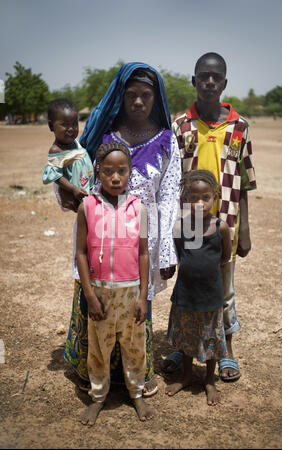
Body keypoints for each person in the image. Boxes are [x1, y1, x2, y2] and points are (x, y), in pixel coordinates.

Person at [64, 63, 181, 396]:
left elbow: (170, 194)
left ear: (156, 98)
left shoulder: (167, 141)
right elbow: (78, 178)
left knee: (134, 307)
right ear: (121, 96)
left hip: (140, 242)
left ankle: (132, 375)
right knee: (95, 302)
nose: (139, 102)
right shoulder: (104, 133)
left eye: (146, 95)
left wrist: (167, 251)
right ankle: (93, 372)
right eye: (131, 95)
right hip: (100, 238)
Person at [163, 52, 257, 381]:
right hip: (189, 223)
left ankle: (224, 349)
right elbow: (172, 179)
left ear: (225, 83)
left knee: (224, 288)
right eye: (203, 76)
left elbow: (244, 182)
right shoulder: (180, 126)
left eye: (216, 77)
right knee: (188, 283)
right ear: (194, 81)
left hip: (224, 222)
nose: (210, 82)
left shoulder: (240, 127)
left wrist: (243, 229)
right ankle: (183, 345)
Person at [77, 141, 154, 425]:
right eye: (108, 171)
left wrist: (143, 296)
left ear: (131, 172)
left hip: (131, 291)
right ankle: (98, 398)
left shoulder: (140, 209)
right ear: (98, 172)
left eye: (122, 171)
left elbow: (144, 254)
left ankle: (137, 394)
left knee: (134, 346)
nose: (115, 177)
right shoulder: (87, 207)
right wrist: (90, 294)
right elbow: (81, 253)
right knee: (99, 348)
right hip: (100, 293)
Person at [165, 170, 231, 404]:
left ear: (215, 197)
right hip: (186, 293)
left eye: (206, 197)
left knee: (210, 336)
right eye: (193, 198)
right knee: (186, 336)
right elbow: (180, 253)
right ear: (185, 200)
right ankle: (186, 375)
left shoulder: (220, 227)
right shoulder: (180, 227)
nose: (200, 203)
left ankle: (209, 380)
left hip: (211, 295)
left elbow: (225, 256)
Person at [42, 98, 94, 212]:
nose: (71, 129)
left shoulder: (76, 143)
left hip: (87, 189)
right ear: (51, 126)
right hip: (75, 195)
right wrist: (73, 189)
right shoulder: (56, 150)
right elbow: (55, 176)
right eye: (65, 125)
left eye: (74, 124)